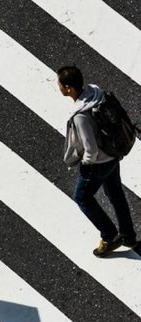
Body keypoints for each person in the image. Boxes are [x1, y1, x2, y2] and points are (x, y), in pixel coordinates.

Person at [58, 66, 137, 256]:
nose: (58, 87)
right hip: (113, 153)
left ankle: (110, 236)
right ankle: (128, 236)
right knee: (116, 194)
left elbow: (90, 149)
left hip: (98, 163)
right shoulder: (95, 93)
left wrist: (86, 164)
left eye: (60, 84)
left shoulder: (80, 116)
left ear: (69, 88)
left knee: (82, 197)